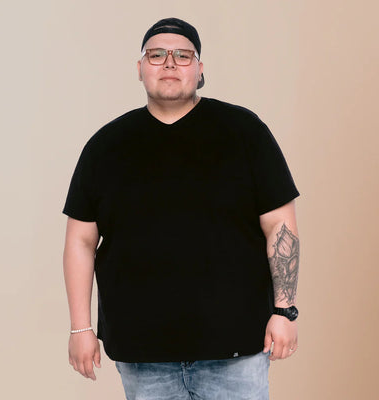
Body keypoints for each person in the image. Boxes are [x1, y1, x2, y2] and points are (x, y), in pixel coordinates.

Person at [62, 17, 300, 400]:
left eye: (183, 55)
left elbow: (280, 225)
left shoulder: (245, 132)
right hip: (142, 352)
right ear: (140, 68)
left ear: (200, 69)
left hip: (237, 347)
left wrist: (284, 311)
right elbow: (80, 240)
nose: (170, 63)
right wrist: (80, 328)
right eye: (156, 55)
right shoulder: (106, 146)